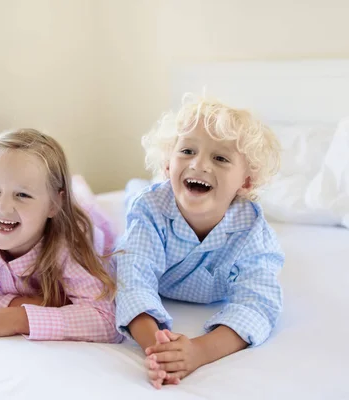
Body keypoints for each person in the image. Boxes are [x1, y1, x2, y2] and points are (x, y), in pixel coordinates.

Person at [114, 94, 284, 388]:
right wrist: (160, 349)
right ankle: (133, 187)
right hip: (149, 201)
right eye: (187, 151)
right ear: (168, 164)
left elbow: (258, 304)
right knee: (134, 199)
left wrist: (196, 351)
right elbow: (132, 280)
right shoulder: (151, 210)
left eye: (220, 158)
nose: (199, 164)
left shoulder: (252, 234)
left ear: (246, 182)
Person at [0, 128, 123, 343]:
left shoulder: (70, 242)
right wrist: (36, 303)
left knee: (92, 205)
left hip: (85, 221)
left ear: (54, 204)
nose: (3, 207)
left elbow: (105, 321)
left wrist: (21, 319)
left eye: (22, 194)